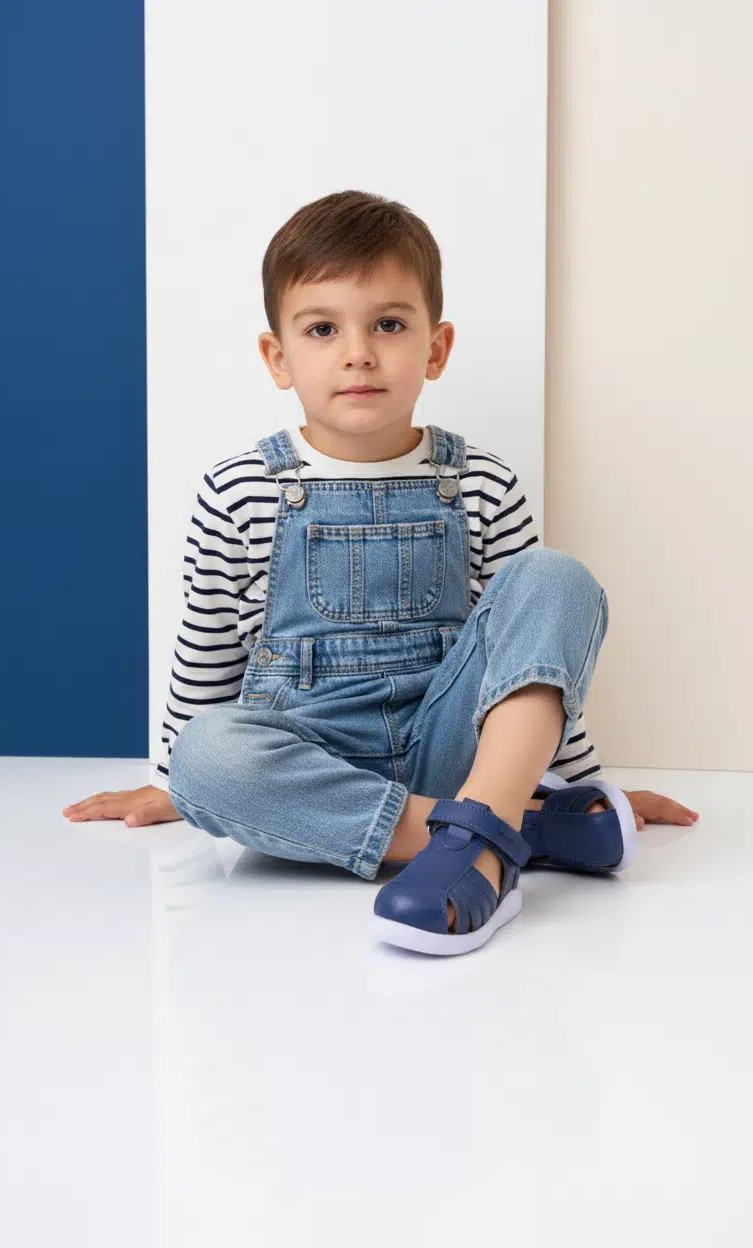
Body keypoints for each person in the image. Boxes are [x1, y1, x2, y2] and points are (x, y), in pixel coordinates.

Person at [63, 189, 698, 956]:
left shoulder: (483, 482)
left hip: (452, 747)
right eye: (322, 329)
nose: (358, 352)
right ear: (278, 357)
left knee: (555, 577)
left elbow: (532, 660)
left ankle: (486, 824)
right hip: (310, 761)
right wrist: (174, 780)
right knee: (207, 756)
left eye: (389, 325)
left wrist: (587, 782)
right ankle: (502, 831)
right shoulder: (239, 491)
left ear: (436, 348)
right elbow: (207, 645)